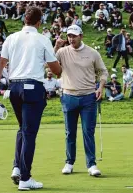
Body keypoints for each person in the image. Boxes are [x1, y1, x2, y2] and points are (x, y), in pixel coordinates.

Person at [0, 6, 61, 190]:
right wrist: (58, 65)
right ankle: (25, 178)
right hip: (32, 88)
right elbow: (56, 70)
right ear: (39, 22)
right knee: (29, 133)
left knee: (23, 129)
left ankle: (16, 168)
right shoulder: (42, 39)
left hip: (14, 88)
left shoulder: (11, 38)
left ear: (23, 20)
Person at [55, 25, 108, 176]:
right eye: (69, 36)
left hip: (88, 97)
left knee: (88, 132)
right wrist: (56, 46)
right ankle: (69, 162)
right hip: (68, 96)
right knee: (69, 132)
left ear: (81, 36)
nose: (71, 39)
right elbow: (49, 64)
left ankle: (91, 165)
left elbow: (103, 71)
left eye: (74, 36)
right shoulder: (62, 52)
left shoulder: (92, 53)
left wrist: (101, 87)